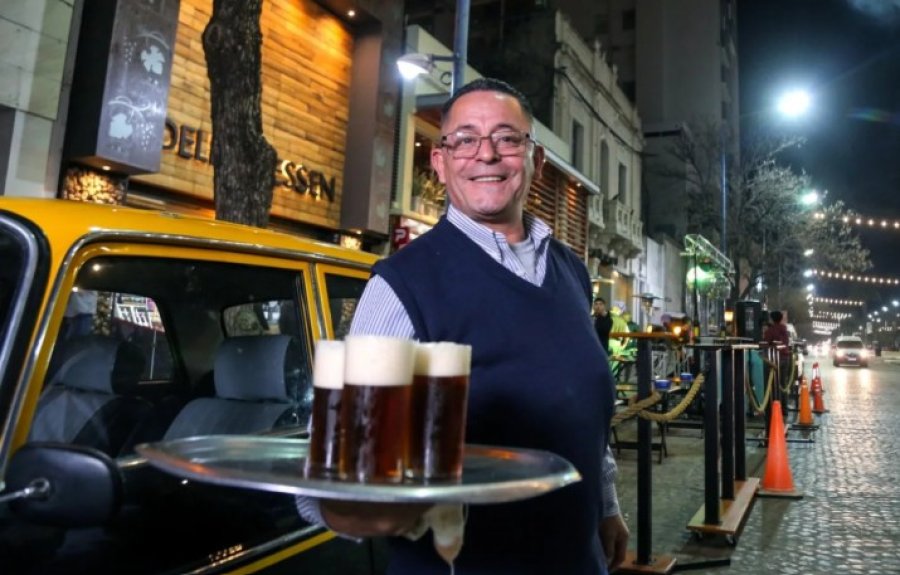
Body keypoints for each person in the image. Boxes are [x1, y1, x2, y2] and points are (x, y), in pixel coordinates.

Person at [300, 78, 628, 574]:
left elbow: (586, 410)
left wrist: (607, 507)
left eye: (507, 137)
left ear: (534, 159)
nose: (487, 154)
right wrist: (353, 507)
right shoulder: (402, 284)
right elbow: (340, 458)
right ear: (440, 160)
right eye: (466, 139)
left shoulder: (571, 271)